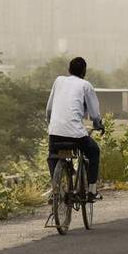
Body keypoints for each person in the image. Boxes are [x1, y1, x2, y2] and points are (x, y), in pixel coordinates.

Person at [46, 56, 103, 203]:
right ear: (84, 72)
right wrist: (98, 125)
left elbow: (50, 108)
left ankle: (56, 189)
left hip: (55, 132)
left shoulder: (58, 81)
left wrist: (51, 124)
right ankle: (92, 190)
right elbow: (94, 112)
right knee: (94, 151)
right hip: (75, 134)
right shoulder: (85, 85)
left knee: (53, 155)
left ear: (69, 70)